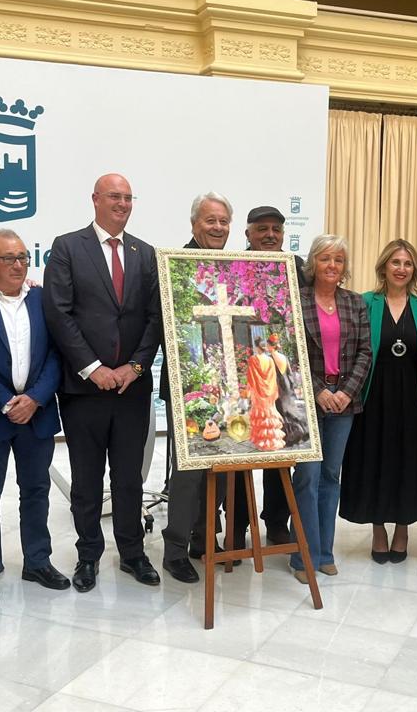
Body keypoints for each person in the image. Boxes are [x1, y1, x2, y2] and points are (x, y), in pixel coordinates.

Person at [42, 173, 162, 592]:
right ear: (94, 199)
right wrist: (93, 367)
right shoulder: (66, 248)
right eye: (115, 196)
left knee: (129, 478)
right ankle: (88, 555)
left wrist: (136, 366)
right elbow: (59, 313)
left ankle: (132, 553)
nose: (123, 203)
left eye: (129, 197)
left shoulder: (145, 254)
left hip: (132, 388)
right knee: (87, 479)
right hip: (84, 390)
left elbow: (155, 317)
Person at [0, 229, 67, 604]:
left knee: (36, 491)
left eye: (23, 257)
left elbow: (57, 355)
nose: (18, 265)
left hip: (36, 414)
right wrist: (7, 401)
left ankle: (37, 561)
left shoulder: (42, 299)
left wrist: (36, 398)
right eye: (8, 258)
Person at [339, 239, 417, 564]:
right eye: (395, 262)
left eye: (407, 264)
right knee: (374, 462)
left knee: (410, 462)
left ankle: (404, 527)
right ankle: (378, 528)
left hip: (414, 399)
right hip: (373, 398)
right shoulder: (365, 302)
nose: (401, 269)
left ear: (415, 269)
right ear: (384, 267)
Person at [291, 234, 371, 584]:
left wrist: (345, 392)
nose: (333, 266)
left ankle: (325, 552)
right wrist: (320, 390)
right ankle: (301, 555)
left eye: (339, 260)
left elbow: (365, 352)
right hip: (306, 399)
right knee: (307, 476)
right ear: (313, 263)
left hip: (345, 401)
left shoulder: (355, 303)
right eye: (326, 259)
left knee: (330, 476)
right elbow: (290, 350)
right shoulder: (298, 299)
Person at [160, 191, 232, 583]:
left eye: (223, 221)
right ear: (193, 225)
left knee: (220, 466)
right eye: (210, 220)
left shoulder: (235, 267)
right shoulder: (175, 265)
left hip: (229, 387)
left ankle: (206, 539)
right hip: (188, 387)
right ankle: (175, 550)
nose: (218, 227)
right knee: (189, 472)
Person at [235, 205, 304, 548]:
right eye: (262, 229)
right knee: (240, 449)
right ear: (247, 233)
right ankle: (237, 527)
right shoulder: (232, 267)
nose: (270, 235)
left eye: (276, 229)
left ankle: (277, 521)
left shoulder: (297, 268)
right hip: (245, 372)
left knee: (281, 446)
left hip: (283, 372)